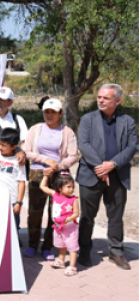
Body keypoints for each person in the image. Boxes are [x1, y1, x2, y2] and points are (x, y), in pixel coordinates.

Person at [77, 84, 137, 270]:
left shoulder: (127, 121)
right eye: (99, 97)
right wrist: (101, 167)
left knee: (116, 216)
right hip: (91, 175)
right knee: (87, 216)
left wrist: (112, 165)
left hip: (118, 176)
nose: (100, 100)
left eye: (106, 98)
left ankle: (116, 251)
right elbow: (84, 144)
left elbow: (132, 146)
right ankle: (84, 251)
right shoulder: (88, 118)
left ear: (117, 101)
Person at [23, 98, 78, 261]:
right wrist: (45, 161)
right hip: (37, 173)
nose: (49, 115)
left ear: (60, 113)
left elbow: (73, 155)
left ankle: (48, 246)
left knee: (56, 213)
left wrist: (58, 166)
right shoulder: (35, 129)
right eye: (46, 111)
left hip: (59, 176)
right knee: (34, 211)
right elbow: (26, 151)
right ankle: (33, 244)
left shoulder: (67, 132)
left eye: (53, 112)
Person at [40, 172, 80, 276]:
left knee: (72, 247)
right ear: (59, 187)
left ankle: (72, 266)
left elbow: (76, 213)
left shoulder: (73, 199)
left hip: (70, 228)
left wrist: (69, 218)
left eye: (73, 187)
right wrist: (46, 176)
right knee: (61, 245)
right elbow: (42, 186)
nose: (71, 189)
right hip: (58, 227)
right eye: (68, 187)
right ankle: (61, 260)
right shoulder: (55, 195)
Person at [0, 128, 26, 233]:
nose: (0, 147)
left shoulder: (18, 160)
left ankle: (13, 245)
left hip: (12, 200)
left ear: (14, 147)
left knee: (12, 228)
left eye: (4, 145)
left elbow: (21, 183)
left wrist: (19, 202)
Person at [0, 87, 28, 171]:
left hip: (11, 166)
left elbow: (24, 143)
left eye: (2, 99)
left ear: (10, 103)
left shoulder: (18, 120)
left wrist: (22, 153)